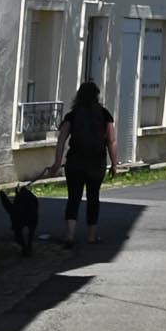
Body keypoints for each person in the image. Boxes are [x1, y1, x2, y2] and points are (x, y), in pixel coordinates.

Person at [55, 80, 117, 249]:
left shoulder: (72, 115)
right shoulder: (104, 115)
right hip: (96, 163)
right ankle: (91, 236)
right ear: (97, 96)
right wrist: (114, 164)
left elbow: (61, 140)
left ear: (79, 96)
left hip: (75, 162)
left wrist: (56, 163)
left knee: (73, 198)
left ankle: (70, 235)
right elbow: (111, 140)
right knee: (93, 198)